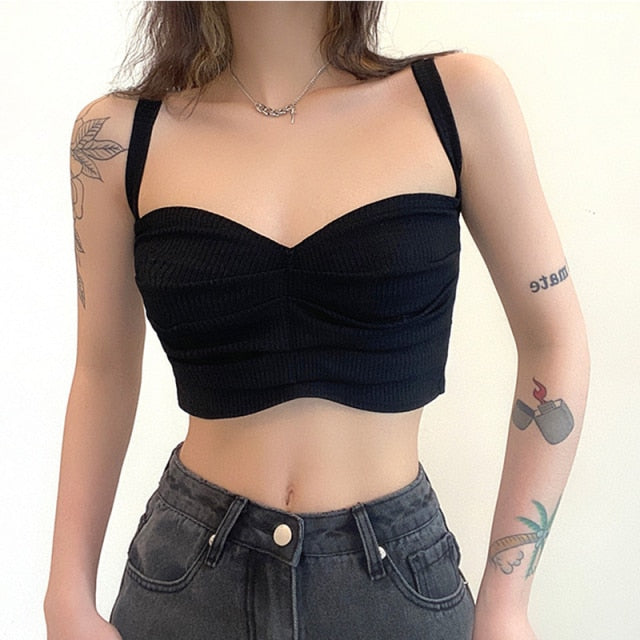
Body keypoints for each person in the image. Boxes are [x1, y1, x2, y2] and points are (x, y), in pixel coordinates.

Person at [44, 2, 589, 639]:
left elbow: (554, 341)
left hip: (393, 581)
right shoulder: (115, 138)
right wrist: (66, 595)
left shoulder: (456, 100)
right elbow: (104, 370)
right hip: (189, 576)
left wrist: (507, 603)